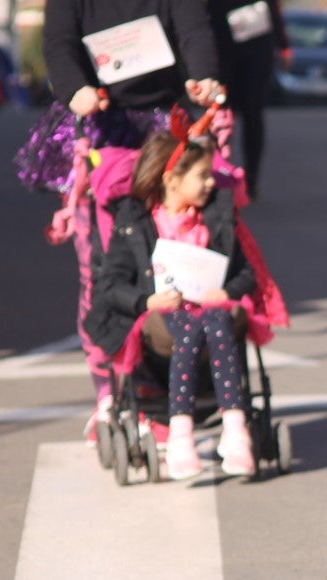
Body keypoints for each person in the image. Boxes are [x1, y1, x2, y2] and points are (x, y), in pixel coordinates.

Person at [14, 0, 222, 443]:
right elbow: (60, 43)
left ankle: (162, 390)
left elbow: (194, 29)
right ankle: (108, 395)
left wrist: (203, 75)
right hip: (99, 132)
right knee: (102, 272)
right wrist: (75, 89)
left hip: (163, 133)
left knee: (170, 263)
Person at [84, 130, 259, 480]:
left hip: (211, 310)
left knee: (217, 321)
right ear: (172, 180)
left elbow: (246, 273)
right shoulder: (135, 222)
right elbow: (110, 283)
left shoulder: (215, 217)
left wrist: (226, 293)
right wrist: (146, 299)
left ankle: (235, 429)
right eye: (202, 176)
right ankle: (180, 435)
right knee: (188, 330)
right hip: (159, 315)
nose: (211, 182)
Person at [207, 0, 291, 200]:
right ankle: (215, 171)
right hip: (221, 42)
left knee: (253, 112)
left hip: (256, 47)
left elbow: (273, 7)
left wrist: (284, 44)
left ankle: (250, 179)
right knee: (219, 113)